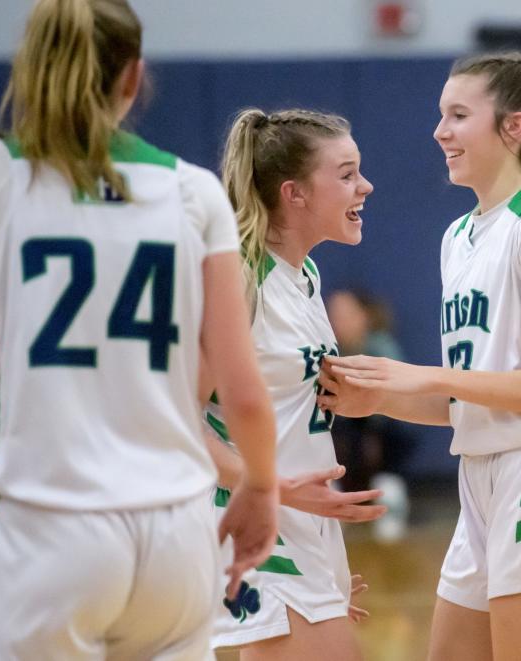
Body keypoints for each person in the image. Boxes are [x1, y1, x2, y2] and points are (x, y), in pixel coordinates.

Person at [0, 0, 279, 658]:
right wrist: (259, 485)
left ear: (28, 72)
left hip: (47, 524)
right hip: (178, 533)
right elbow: (243, 390)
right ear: (133, 77)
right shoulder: (195, 191)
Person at [319, 52, 521, 661]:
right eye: (440, 115)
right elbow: (469, 403)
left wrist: (422, 373)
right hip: (480, 477)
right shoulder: (459, 237)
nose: (440, 132)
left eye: (458, 115)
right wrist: (379, 396)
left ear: (513, 128)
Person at [203, 107, 377, 661]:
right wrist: (272, 487)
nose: (365, 186)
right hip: (257, 524)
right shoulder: (239, 278)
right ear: (294, 194)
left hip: (303, 528)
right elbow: (173, 418)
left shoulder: (304, 275)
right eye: (346, 173)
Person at [327, 288, 413, 542]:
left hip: (380, 430)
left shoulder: (381, 347)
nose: (338, 321)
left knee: (390, 435)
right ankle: (332, 504)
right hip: (340, 429)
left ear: (363, 316)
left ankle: (390, 497)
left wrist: (372, 430)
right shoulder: (326, 350)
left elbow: (399, 397)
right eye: (334, 315)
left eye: (345, 314)